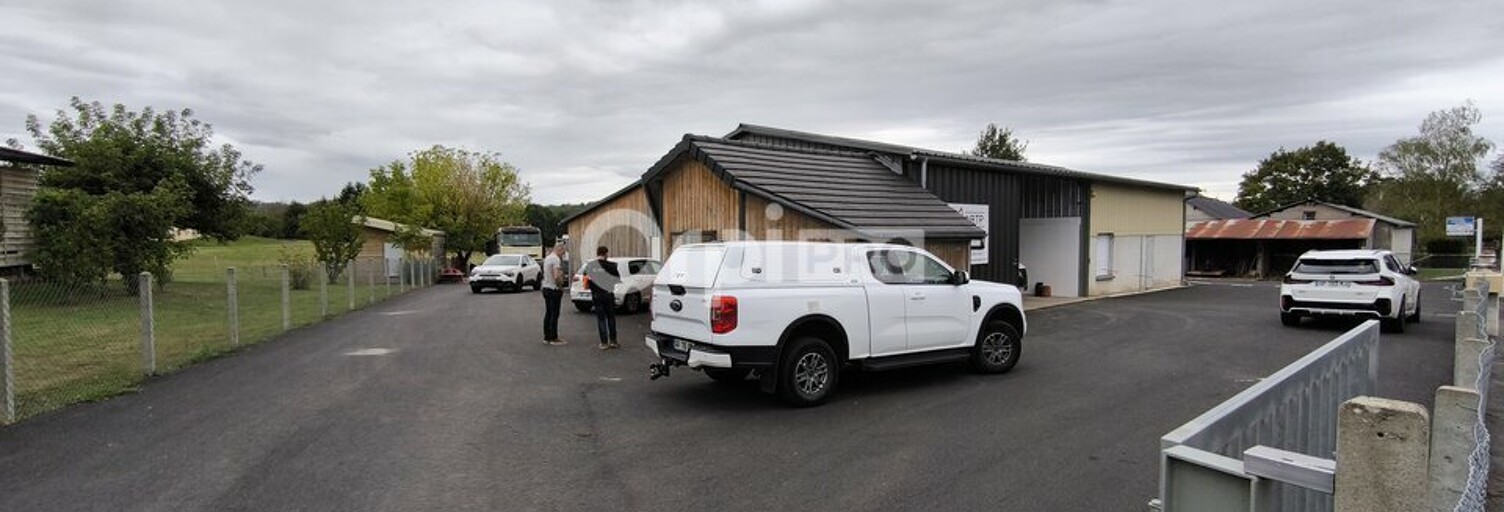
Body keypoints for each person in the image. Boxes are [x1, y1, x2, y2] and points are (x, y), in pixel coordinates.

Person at [584, 245, 621, 350]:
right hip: (608, 293)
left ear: (597, 254)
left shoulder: (591, 266)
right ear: (606, 254)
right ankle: (613, 341)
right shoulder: (612, 266)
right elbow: (617, 279)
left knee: (601, 319)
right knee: (611, 317)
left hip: (596, 294)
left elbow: (586, 279)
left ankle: (604, 343)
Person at [540, 244, 566, 345]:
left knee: (548, 313)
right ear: (559, 249)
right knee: (555, 313)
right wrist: (560, 286)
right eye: (563, 252)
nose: (563, 255)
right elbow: (556, 275)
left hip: (546, 287)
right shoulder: (556, 260)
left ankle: (546, 336)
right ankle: (553, 337)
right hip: (553, 289)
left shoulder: (547, 258)